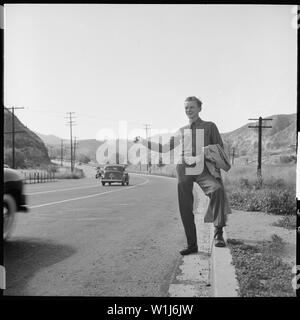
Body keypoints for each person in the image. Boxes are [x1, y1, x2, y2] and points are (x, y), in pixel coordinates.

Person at [136, 96, 231, 255]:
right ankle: (192, 244)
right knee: (185, 206)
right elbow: (165, 148)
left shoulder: (209, 126)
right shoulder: (181, 131)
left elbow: (219, 147)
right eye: (186, 108)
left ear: (200, 109)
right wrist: (144, 141)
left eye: (192, 107)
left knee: (217, 190)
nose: (188, 110)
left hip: (203, 168)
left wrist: (203, 154)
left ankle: (218, 232)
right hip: (184, 167)